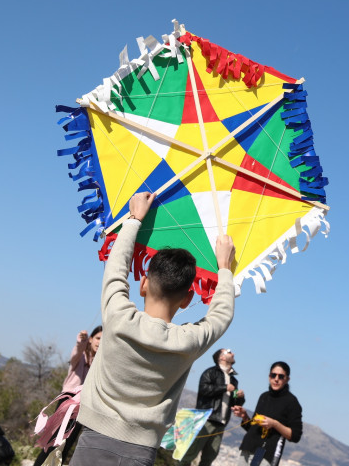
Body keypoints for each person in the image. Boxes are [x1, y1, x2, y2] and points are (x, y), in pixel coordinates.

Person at [70, 191, 236, 466]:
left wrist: (134, 219)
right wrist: (224, 267)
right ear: (187, 300)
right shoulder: (188, 342)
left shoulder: (119, 317)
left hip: (93, 439)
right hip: (141, 451)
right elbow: (221, 315)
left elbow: (116, 268)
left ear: (143, 285)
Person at [32, 326, 103, 466]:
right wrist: (81, 341)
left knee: (67, 444)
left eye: (103, 340)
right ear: (91, 339)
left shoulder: (100, 363)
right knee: (55, 441)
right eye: (98, 338)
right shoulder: (81, 357)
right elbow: (76, 351)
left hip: (84, 406)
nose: (100, 342)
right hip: (68, 401)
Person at [174, 348, 245, 466]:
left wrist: (240, 397)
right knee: (188, 455)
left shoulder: (233, 379)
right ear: (221, 357)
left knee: (209, 458)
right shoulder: (210, 373)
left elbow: (235, 403)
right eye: (229, 351)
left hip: (221, 424)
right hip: (205, 421)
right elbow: (204, 389)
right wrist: (224, 387)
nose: (233, 353)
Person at [231, 361, 302, 466]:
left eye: (281, 376)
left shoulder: (292, 402)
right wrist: (245, 417)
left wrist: (274, 424)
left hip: (268, 454)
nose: (276, 379)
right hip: (248, 448)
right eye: (273, 375)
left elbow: (295, 436)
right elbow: (253, 429)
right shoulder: (264, 396)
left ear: (287, 379)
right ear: (269, 377)